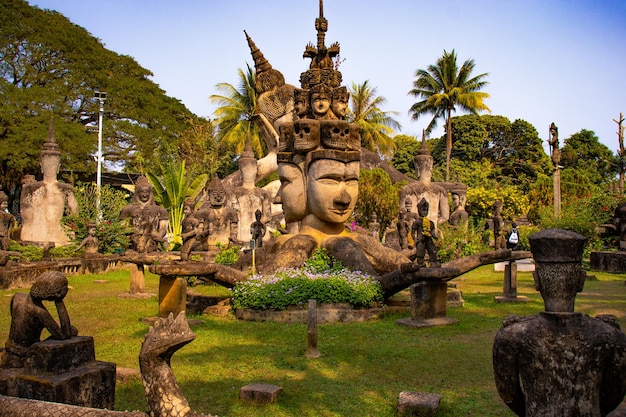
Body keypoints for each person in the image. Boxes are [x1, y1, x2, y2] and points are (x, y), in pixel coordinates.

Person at [493, 229, 626, 417]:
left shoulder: (512, 336)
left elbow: (508, 393)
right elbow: (615, 393)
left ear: (537, 280)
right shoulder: (610, 336)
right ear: (581, 281)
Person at [20, 118, 78, 246]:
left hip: (53, 233)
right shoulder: (31, 188)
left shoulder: (65, 189)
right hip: (34, 232)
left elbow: (74, 214)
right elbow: (26, 218)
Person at [1, 271, 78, 368]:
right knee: (73, 330)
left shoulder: (17, 297)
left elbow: (15, 317)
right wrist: (59, 302)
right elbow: (64, 335)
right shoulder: (39, 312)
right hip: (23, 356)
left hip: (8, 351)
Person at [411, 198, 439, 267]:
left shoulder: (430, 223)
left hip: (428, 239)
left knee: (433, 251)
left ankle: (433, 263)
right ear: (419, 210)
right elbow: (412, 232)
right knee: (420, 254)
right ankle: (421, 264)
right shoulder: (417, 222)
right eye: (423, 210)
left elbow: (432, 233)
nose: (425, 212)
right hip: (420, 240)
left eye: (426, 210)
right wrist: (415, 239)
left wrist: (436, 237)